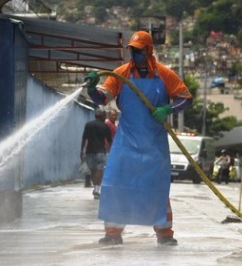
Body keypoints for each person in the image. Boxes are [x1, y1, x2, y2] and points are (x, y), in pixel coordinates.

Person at [83, 30, 193, 246]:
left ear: (149, 50)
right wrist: (91, 88)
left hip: (154, 145)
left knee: (157, 189)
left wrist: (168, 109)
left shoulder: (165, 75)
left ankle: (165, 234)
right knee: (115, 185)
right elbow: (102, 98)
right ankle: (113, 233)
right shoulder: (121, 74)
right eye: (132, 50)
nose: (135, 54)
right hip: (126, 142)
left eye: (139, 50)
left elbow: (187, 99)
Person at [81, 108, 112, 199]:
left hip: (89, 151)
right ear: (102, 116)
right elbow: (109, 140)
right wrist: (113, 150)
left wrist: (82, 150)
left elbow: (84, 138)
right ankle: (97, 189)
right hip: (101, 151)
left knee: (93, 170)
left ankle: (96, 188)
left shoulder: (88, 125)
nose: (105, 116)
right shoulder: (105, 126)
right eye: (105, 115)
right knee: (99, 170)